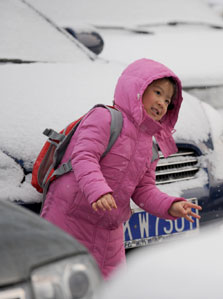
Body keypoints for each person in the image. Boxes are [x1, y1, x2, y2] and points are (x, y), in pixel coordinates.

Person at [40, 58, 201, 279]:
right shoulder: (104, 117)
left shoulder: (149, 144)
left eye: (168, 101)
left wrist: (170, 206)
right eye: (157, 92)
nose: (163, 103)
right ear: (137, 88)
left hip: (109, 232)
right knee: (61, 286)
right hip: (69, 219)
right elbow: (84, 156)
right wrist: (99, 190)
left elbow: (144, 190)